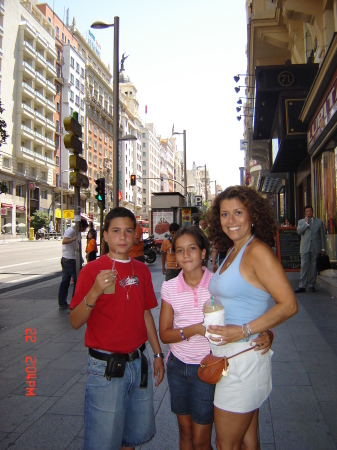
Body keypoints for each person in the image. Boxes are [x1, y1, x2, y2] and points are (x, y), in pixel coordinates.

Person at [159, 226, 273, 450]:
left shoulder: (217, 285)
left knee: (202, 439)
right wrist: (196, 330)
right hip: (178, 367)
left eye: (192, 248)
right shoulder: (169, 287)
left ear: (203, 252)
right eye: (180, 250)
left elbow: (247, 314)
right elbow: (164, 334)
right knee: (185, 433)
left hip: (210, 367)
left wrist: (266, 332)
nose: (186, 255)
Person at [207, 185, 298, 450]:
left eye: (238, 212)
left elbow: (289, 305)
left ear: (252, 215)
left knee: (226, 445)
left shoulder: (256, 251)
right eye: (225, 214)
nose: (231, 220)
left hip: (241, 361)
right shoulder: (233, 251)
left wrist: (244, 330)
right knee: (248, 442)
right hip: (233, 359)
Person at [69, 207, 165, 450]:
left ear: (135, 236)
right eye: (116, 231)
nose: (122, 237)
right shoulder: (91, 271)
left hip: (137, 362)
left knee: (130, 439)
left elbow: (145, 313)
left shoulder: (141, 270)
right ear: (105, 235)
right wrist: (95, 291)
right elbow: (75, 321)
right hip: (105, 369)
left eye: (128, 231)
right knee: (102, 442)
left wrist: (157, 354)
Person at [58, 218, 88, 309]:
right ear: (80, 226)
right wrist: (74, 238)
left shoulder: (73, 231)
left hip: (69, 258)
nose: (83, 231)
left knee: (65, 281)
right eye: (83, 229)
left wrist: (80, 258)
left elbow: (74, 247)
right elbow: (64, 241)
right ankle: (75, 301)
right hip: (69, 259)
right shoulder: (71, 231)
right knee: (77, 279)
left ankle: (62, 302)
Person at [294, 205, 325, 293]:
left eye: (310, 211)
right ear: (305, 213)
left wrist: (323, 248)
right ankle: (302, 286)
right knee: (304, 266)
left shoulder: (319, 222)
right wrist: (306, 223)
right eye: (307, 211)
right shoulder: (301, 222)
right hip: (305, 247)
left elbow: (322, 235)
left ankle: (312, 285)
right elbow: (299, 232)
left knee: (313, 266)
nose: (309, 212)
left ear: (313, 212)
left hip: (315, 247)